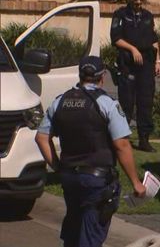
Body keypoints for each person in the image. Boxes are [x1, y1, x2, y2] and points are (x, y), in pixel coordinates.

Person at [35, 55, 146, 247]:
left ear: (80, 75)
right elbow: (122, 145)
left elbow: (41, 137)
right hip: (97, 181)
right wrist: (136, 182)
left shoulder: (60, 101)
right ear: (102, 76)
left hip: (70, 178)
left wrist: (57, 166)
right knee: (90, 236)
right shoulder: (107, 104)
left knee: (73, 230)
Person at [110, 0, 160, 152]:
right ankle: (122, 139)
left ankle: (144, 139)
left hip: (146, 64)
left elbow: (154, 40)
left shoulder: (148, 16)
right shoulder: (120, 15)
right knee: (126, 102)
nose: (138, 2)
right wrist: (133, 49)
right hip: (128, 64)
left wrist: (158, 61)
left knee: (145, 101)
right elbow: (116, 38)